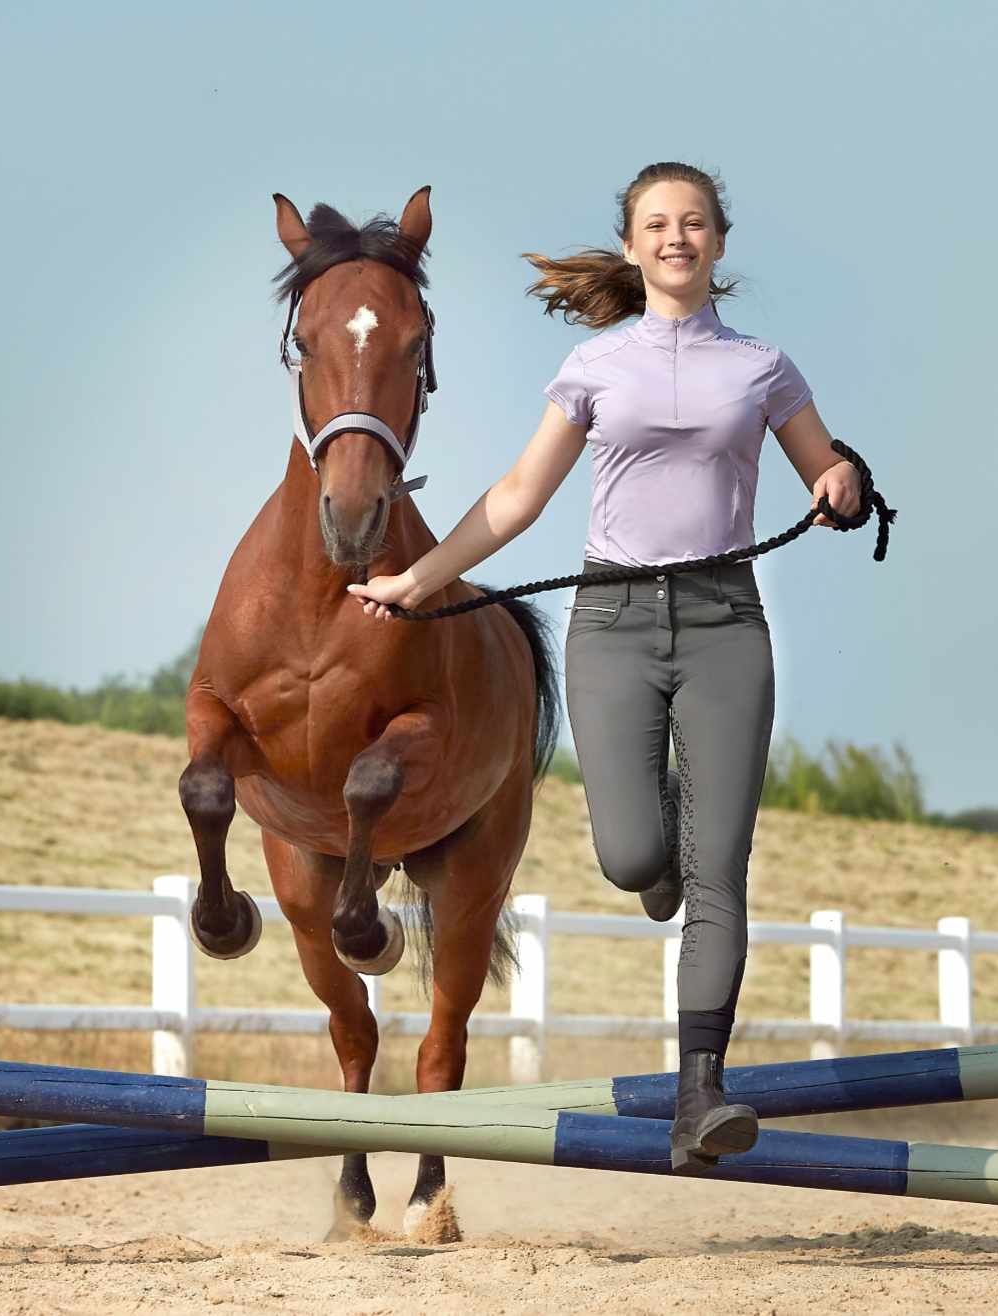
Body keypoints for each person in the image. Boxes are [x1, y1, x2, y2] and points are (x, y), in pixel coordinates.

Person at [348, 161, 863, 1172]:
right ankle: (659, 841)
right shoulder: (593, 366)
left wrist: (842, 480)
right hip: (613, 624)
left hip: (725, 626)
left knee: (719, 870)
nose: (677, 237)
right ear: (632, 246)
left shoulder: (763, 367)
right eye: (657, 224)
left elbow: (824, 466)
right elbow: (516, 496)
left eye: (694, 222)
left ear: (719, 242)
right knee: (632, 857)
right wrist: (418, 579)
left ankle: (701, 1093)